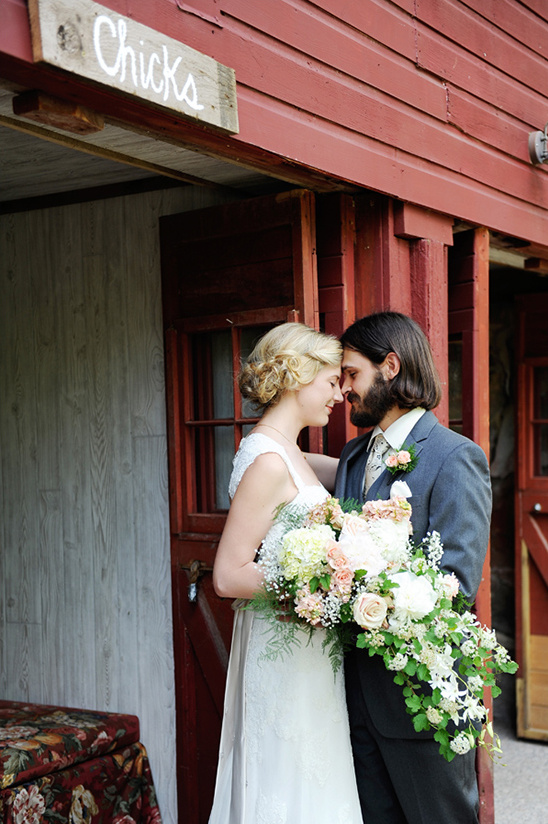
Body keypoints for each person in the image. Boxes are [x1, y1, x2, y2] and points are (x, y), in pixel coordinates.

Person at [334, 311, 492, 824]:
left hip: (422, 707)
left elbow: (456, 583)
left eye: (352, 374)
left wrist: (361, 597)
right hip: (353, 702)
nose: (345, 390)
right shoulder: (353, 458)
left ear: (391, 366)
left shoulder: (454, 457)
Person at [209, 322, 363, 824]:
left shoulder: (290, 452)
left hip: (308, 652)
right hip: (284, 648)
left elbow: (351, 471)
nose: (339, 395)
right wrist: (316, 585)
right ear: (297, 376)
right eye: (330, 381)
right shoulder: (268, 462)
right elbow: (228, 576)